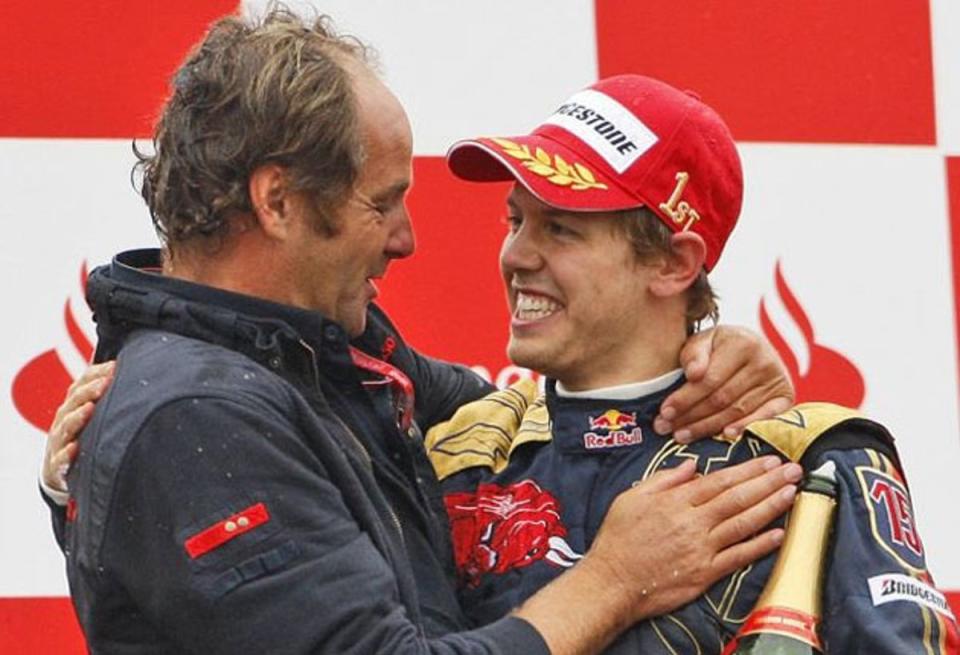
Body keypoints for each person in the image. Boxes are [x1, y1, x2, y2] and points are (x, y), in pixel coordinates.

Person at [41, 10, 806, 655]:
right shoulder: (194, 414)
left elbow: (519, 417)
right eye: (384, 202)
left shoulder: (318, 352)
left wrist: (709, 356)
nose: (406, 241)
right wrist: (613, 578)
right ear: (277, 202)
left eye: (560, 228)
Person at [424, 73, 960, 653]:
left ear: (674, 264)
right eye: (515, 221)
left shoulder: (811, 461)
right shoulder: (460, 454)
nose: (517, 255)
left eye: (561, 229)